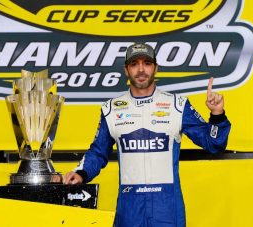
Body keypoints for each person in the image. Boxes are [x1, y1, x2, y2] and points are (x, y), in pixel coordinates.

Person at [63, 42, 231, 227]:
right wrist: (81, 173)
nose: (141, 69)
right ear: (126, 70)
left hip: (167, 207)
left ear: (156, 68)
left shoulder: (178, 105)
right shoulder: (111, 109)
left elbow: (213, 143)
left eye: (147, 63)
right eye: (134, 64)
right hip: (129, 209)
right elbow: (98, 151)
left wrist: (217, 115)